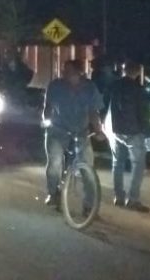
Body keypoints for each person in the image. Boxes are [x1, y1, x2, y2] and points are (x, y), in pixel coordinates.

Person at [42, 59, 104, 209]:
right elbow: (47, 107)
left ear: (79, 73)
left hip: (81, 132)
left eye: (69, 71)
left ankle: (90, 206)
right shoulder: (55, 85)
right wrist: (46, 120)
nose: (65, 74)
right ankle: (53, 193)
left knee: (88, 168)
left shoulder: (89, 88)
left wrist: (98, 131)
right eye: (65, 71)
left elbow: (93, 111)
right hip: (58, 130)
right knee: (55, 163)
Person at [107, 59, 150, 212]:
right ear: (138, 72)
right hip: (134, 131)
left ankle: (118, 197)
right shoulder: (138, 89)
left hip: (116, 129)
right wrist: (146, 131)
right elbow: (144, 113)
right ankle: (133, 199)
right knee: (138, 165)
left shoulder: (114, 86)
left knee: (117, 163)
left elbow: (106, 106)